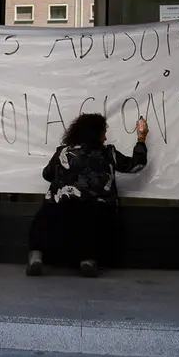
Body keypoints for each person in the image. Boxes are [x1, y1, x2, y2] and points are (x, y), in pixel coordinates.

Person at [26, 113, 149, 278]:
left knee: (42, 221)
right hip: (95, 212)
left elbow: (47, 174)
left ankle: (36, 256)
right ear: (96, 134)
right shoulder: (108, 153)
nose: (105, 138)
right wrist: (141, 139)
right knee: (94, 225)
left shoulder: (64, 153)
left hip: (57, 213)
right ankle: (88, 260)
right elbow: (135, 165)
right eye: (103, 133)